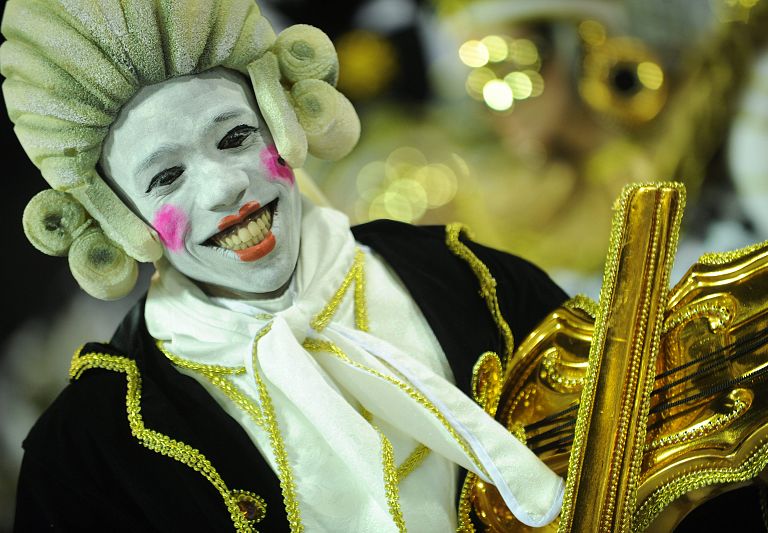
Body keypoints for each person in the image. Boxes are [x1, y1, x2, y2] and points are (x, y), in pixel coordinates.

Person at [1, 1, 568, 531]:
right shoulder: (87, 454)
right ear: (117, 216)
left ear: (283, 119)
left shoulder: (466, 275)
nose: (225, 187)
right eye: (167, 177)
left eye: (235, 137)